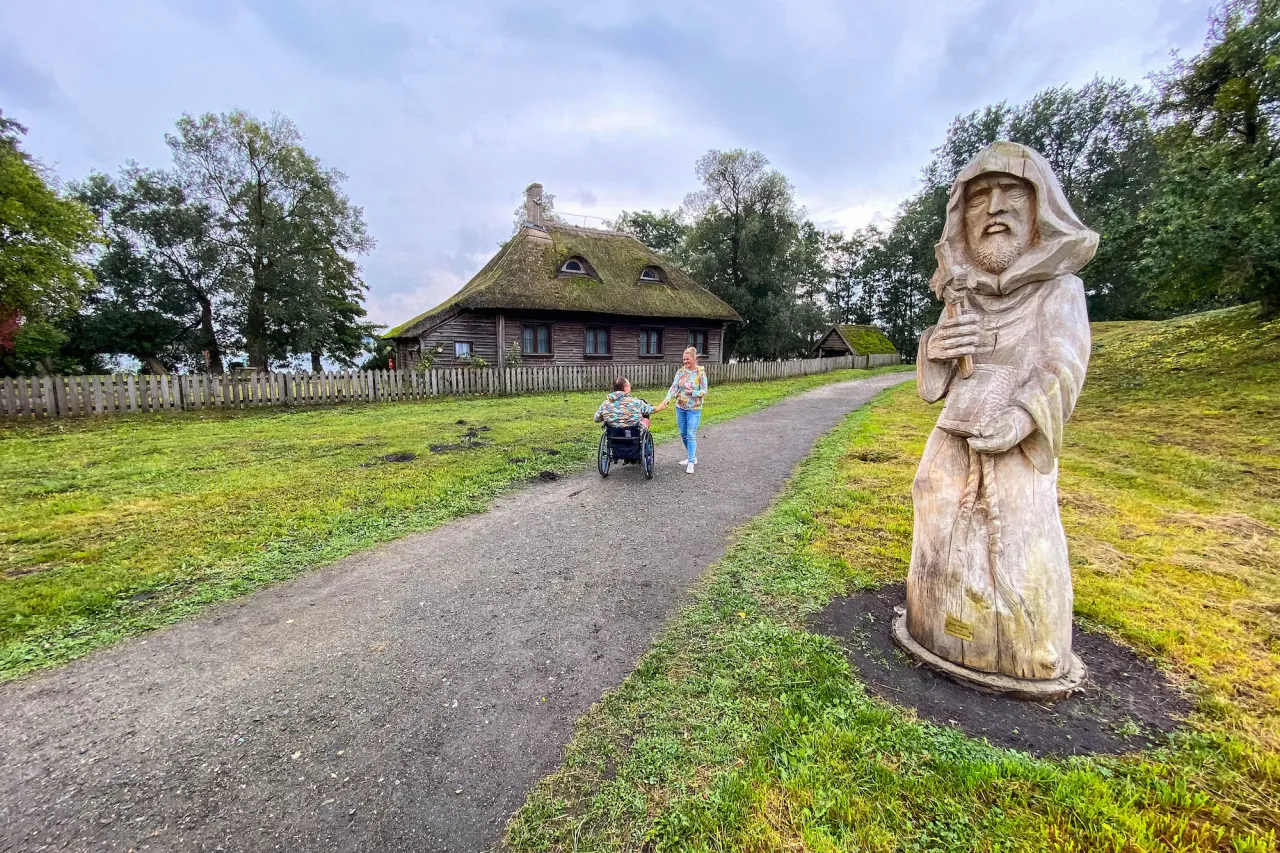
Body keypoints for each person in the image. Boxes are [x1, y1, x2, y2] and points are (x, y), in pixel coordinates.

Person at [907, 141, 1097, 681]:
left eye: (1011, 192)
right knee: (935, 499)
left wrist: (1022, 416)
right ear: (960, 215)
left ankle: (1023, 649)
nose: (994, 209)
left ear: (1039, 205)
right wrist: (938, 346)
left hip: (1013, 440)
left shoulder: (1058, 289)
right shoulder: (961, 295)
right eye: (979, 198)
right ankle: (934, 621)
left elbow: (1063, 363)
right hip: (955, 431)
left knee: (1014, 533)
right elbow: (932, 386)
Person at [663, 347, 708, 474]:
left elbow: (704, 391)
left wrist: (693, 392)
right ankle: (692, 456)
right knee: (683, 433)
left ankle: (691, 462)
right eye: (683, 359)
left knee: (691, 434)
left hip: (694, 409)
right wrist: (667, 399)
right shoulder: (680, 372)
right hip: (680, 407)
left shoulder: (700, 373)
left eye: (687, 359)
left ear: (693, 359)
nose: (685, 361)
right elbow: (674, 386)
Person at [594, 377, 664, 429]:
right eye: (629, 385)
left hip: (613, 436)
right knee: (646, 420)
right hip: (632, 435)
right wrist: (660, 407)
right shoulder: (637, 402)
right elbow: (651, 410)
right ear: (625, 389)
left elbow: (596, 419)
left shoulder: (605, 404)